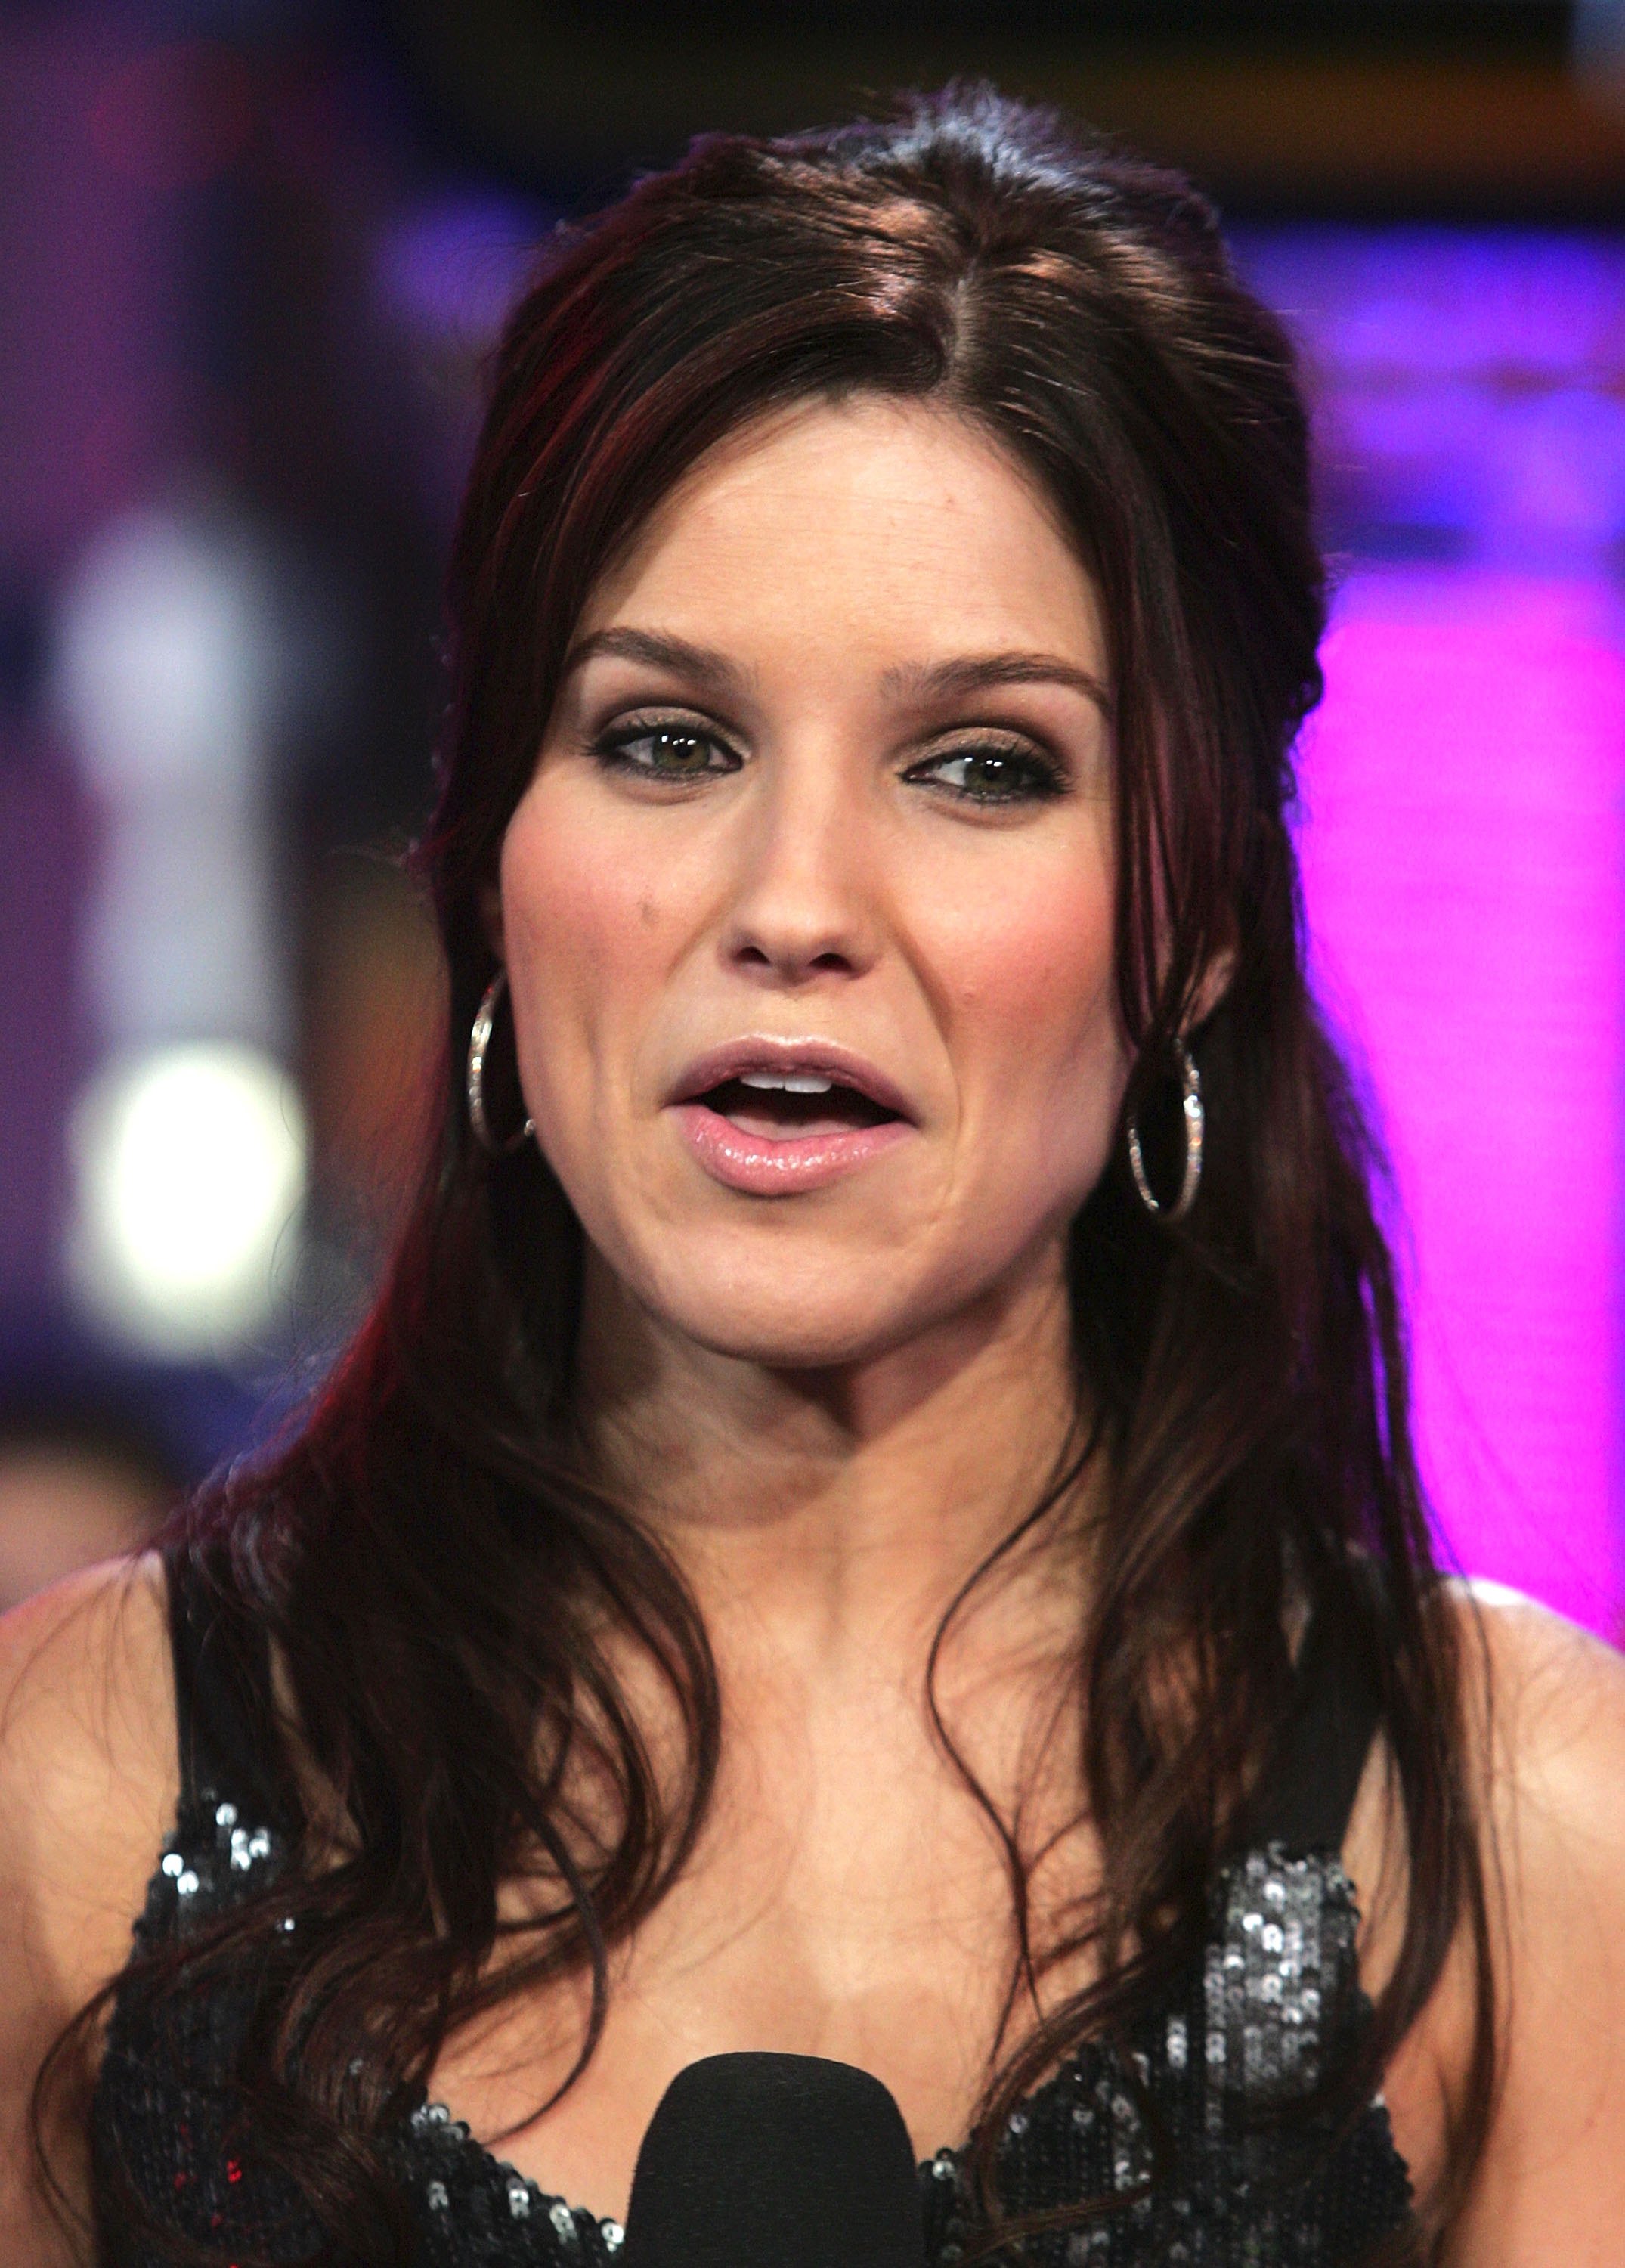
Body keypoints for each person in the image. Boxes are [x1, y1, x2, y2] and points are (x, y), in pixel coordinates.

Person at [3, 85, 1623, 2268]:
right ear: (493, 862)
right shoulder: (66, 1789)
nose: (792, 903)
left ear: (1197, 922)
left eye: (981, 766)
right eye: (666, 741)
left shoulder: (1532, 1853)